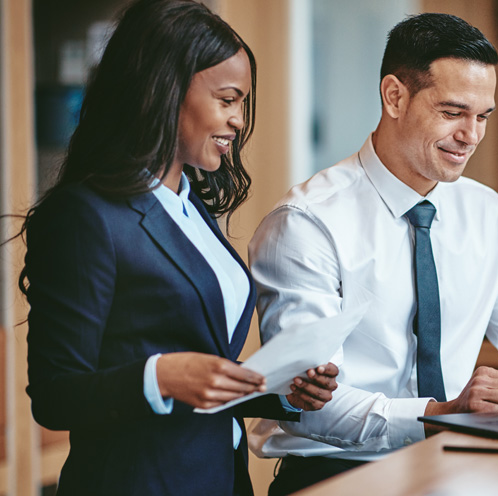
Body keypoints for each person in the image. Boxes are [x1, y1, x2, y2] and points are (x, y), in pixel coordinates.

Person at [19, 1, 338, 495]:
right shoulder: (87, 216)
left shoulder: (190, 209)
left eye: (242, 103)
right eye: (227, 99)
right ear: (165, 91)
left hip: (221, 480)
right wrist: (161, 375)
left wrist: (280, 392)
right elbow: (56, 395)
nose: (238, 120)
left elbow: (203, 371)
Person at [247, 12, 498, 494]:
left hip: (457, 467)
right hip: (338, 477)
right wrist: (437, 415)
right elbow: (310, 406)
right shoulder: (308, 223)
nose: (472, 136)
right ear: (395, 96)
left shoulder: (486, 212)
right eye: (453, 112)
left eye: (482, 116)